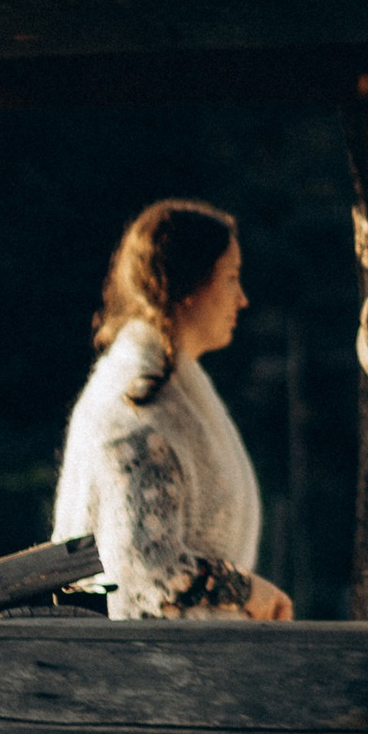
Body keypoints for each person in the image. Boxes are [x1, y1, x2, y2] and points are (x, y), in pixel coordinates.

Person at [52, 196, 294, 621]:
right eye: (231, 278)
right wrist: (244, 589)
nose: (242, 299)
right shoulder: (137, 410)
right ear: (187, 288)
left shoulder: (163, 394)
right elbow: (148, 571)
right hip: (141, 674)